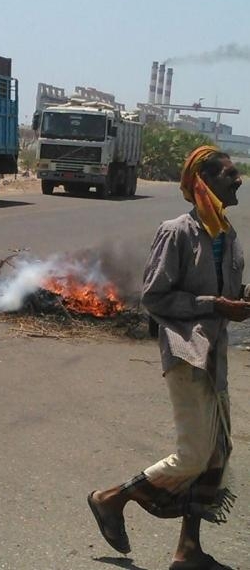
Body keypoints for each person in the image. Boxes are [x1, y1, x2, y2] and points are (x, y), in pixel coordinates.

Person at [87, 146, 250, 570]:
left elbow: (227, 296)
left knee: (216, 454)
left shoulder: (226, 234)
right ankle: (109, 498)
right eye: (230, 174)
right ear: (204, 182)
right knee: (194, 456)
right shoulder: (177, 231)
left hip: (215, 358)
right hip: (186, 353)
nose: (239, 180)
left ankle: (188, 551)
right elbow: (155, 298)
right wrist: (215, 304)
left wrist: (237, 302)